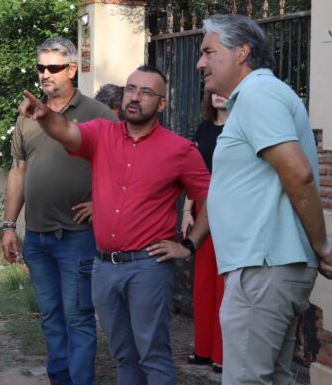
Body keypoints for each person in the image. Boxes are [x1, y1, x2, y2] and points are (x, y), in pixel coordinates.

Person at [148, 14, 332, 385]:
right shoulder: (256, 97)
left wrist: (321, 245)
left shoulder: (258, 94)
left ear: (241, 52)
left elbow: (298, 173)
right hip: (267, 266)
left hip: (263, 267)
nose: (200, 63)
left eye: (208, 52)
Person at [16, 64, 211, 384]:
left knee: (153, 354)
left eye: (146, 92)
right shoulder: (101, 133)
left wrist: (189, 245)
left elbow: (211, 198)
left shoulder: (180, 150)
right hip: (104, 267)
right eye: (131, 89)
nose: (135, 97)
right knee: (123, 354)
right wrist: (45, 115)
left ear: (162, 103)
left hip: (148, 266)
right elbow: (66, 131)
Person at [1, 37, 116, 385]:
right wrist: (8, 225)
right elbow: (18, 171)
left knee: (78, 318)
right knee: (50, 316)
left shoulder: (97, 113)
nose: (45, 74)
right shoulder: (28, 115)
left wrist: (101, 203)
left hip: (77, 238)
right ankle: (59, 379)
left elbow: (122, 166)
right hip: (37, 238)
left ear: (72, 69)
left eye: (53, 67)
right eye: (41, 67)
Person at [180, 91, 228, 373]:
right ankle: (203, 349)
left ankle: (222, 354)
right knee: (203, 283)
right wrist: (187, 211)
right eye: (214, 92)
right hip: (203, 208)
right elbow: (193, 174)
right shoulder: (203, 129)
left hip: (231, 207)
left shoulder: (241, 127)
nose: (218, 96)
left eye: (224, 91)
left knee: (224, 282)